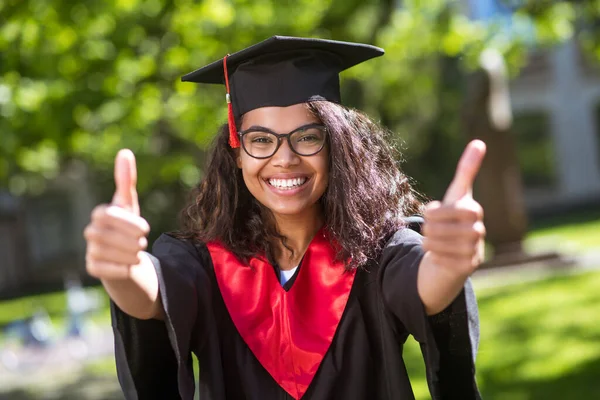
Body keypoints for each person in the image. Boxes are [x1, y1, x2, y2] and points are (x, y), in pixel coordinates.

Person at [84, 36, 486, 400]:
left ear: (337, 146)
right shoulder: (204, 264)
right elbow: (157, 294)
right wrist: (124, 271)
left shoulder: (376, 253)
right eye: (260, 140)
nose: (285, 157)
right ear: (237, 153)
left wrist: (447, 266)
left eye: (308, 136)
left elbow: (422, 282)